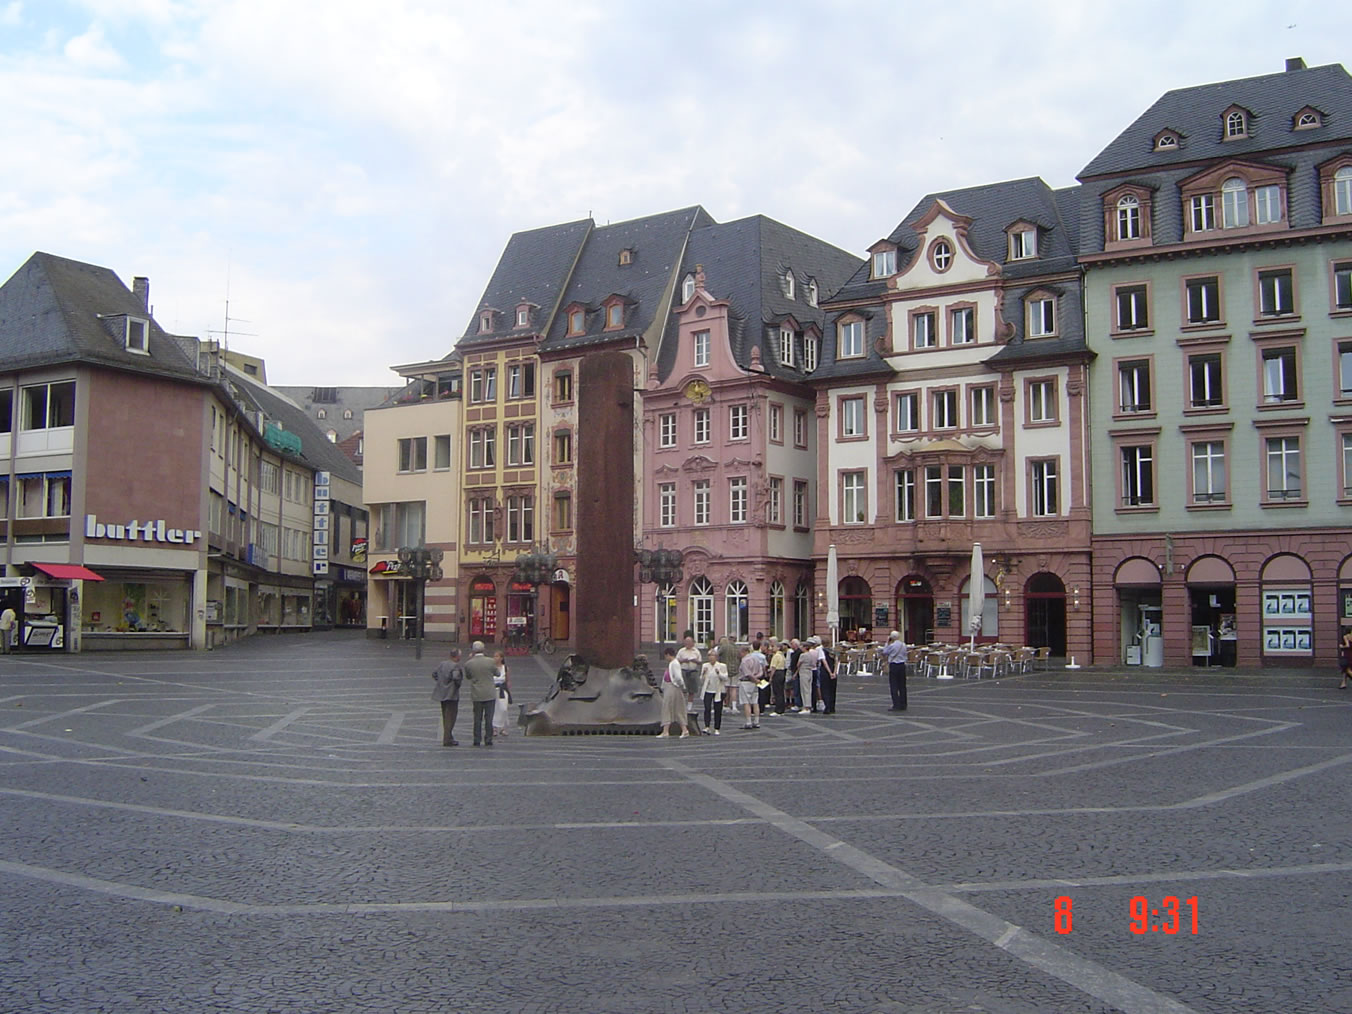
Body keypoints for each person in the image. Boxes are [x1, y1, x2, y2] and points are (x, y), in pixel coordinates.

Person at [464, 641, 499, 747]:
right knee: (489, 718)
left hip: (477, 694)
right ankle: (488, 739)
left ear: (473, 650)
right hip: (489, 693)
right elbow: (497, 673)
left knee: (477, 718)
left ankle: (477, 739)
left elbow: (468, 676)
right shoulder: (490, 661)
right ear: (483, 649)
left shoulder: (468, 663)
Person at [430, 645, 464, 746]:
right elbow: (456, 677)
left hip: (442, 693)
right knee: (451, 717)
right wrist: (457, 684)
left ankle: (449, 736)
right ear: (457, 656)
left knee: (445, 715)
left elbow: (434, 674)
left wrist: (441, 682)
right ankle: (447, 738)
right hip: (451, 694)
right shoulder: (455, 666)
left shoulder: (442, 664)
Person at [657, 646, 690, 739]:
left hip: (673, 687)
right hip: (670, 687)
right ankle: (666, 730)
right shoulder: (672, 663)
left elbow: (678, 677)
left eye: (666, 656)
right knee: (670, 708)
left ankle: (683, 730)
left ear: (668, 655)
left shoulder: (674, 663)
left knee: (674, 708)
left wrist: (681, 686)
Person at [699, 648, 729, 734]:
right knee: (707, 708)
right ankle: (707, 726)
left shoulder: (722, 666)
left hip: (718, 690)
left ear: (716, 657)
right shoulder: (705, 666)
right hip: (708, 690)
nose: (711, 658)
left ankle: (717, 728)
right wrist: (703, 674)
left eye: (712, 656)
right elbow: (701, 680)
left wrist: (719, 673)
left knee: (718, 709)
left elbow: (725, 678)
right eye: (709, 656)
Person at [738, 644, 764, 729]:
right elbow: (761, 671)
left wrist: (754, 679)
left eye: (740, 652)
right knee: (755, 702)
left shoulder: (744, 661)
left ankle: (748, 722)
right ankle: (756, 721)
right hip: (755, 683)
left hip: (746, 682)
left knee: (746, 703)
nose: (739, 654)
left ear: (744, 652)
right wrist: (757, 679)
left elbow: (747, 674)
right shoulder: (755, 659)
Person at [883, 629, 908, 711]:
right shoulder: (903, 645)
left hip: (894, 665)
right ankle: (903, 704)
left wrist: (887, 642)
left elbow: (885, 652)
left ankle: (896, 704)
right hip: (902, 665)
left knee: (894, 686)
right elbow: (905, 655)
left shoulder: (892, 646)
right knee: (902, 686)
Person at [795, 637, 819, 715]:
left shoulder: (803, 655)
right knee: (809, 690)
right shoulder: (811, 654)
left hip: (803, 672)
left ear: (805, 647)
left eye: (802, 647)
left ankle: (806, 706)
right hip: (810, 672)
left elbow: (798, 664)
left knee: (804, 690)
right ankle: (808, 705)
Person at [492, 650, 512, 738]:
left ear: (501, 658)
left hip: (502, 690)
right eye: (494, 656)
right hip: (493, 690)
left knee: (504, 709)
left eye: (497, 656)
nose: (495, 658)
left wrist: (508, 690)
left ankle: (503, 727)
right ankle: (494, 728)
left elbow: (508, 681)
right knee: (494, 709)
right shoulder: (491, 668)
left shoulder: (505, 668)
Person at [816, 640, 838, 714]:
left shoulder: (822, 651)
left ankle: (827, 707)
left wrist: (830, 672)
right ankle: (832, 707)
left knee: (825, 690)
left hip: (825, 672)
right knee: (832, 690)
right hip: (834, 671)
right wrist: (834, 672)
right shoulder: (833, 651)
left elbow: (824, 662)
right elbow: (836, 661)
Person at [767, 641, 788, 715]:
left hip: (777, 673)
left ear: (778, 648)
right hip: (782, 672)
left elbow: (773, 668)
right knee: (781, 692)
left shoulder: (776, 656)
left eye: (774, 647)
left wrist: (771, 677)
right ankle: (782, 709)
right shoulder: (782, 655)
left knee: (777, 692)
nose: (772, 648)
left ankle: (778, 710)